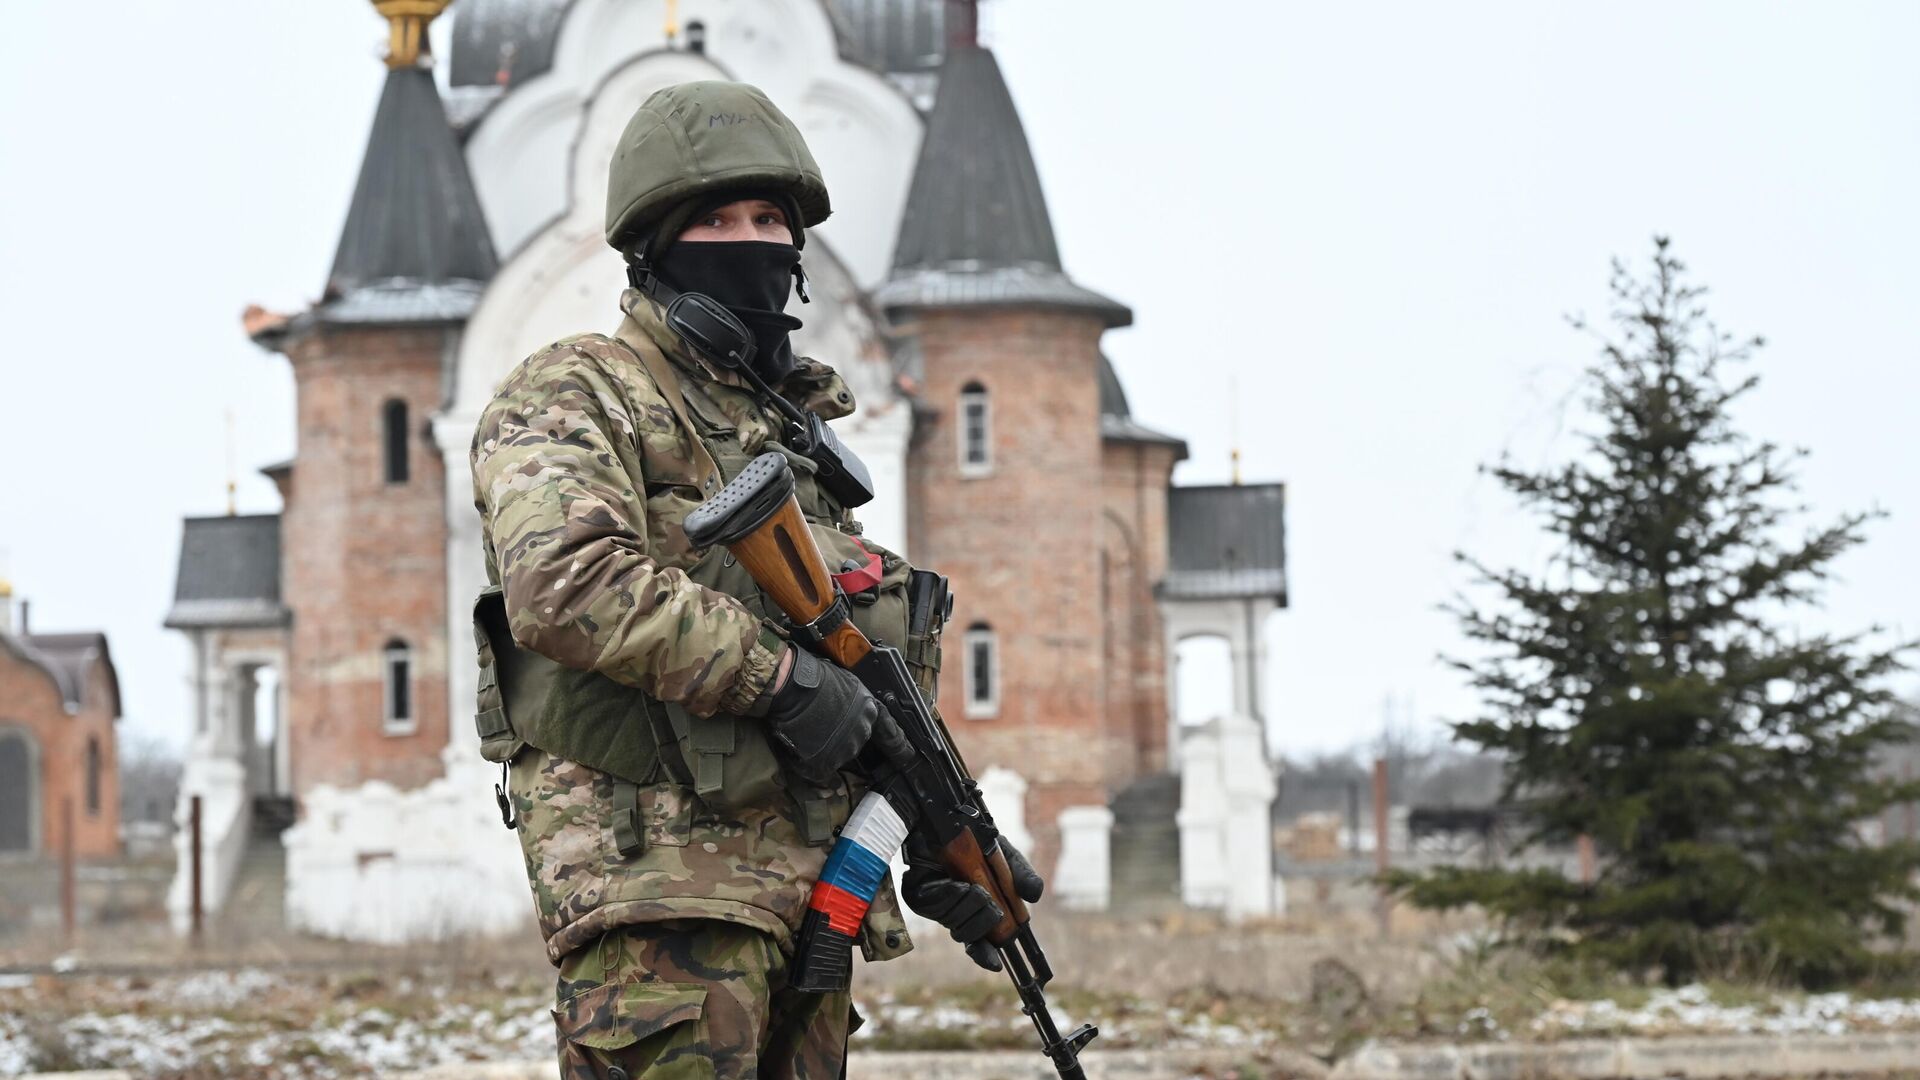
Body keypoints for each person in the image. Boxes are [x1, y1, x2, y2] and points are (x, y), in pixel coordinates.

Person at [468, 81, 1040, 1080]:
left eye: (768, 218)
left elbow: (859, 680)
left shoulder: (792, 439)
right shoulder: (580, 388)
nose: (749, 241)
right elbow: (565, 580)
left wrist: (937, 828)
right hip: (661, 888)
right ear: (653, 243)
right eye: (716, 219)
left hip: (813, 895)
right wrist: (781, 680)